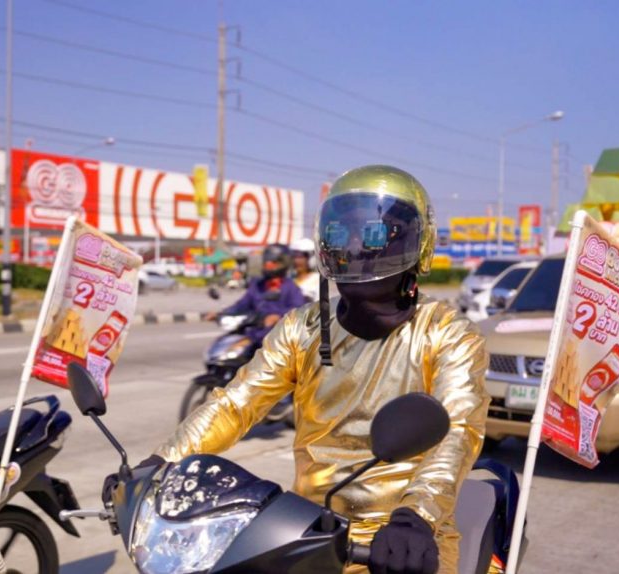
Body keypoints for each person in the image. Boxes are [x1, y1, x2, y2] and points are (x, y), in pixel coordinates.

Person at [149, 165, 489, 573]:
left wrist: (415, 516)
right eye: (342, 234)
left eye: (375, 234)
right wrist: (161, 464)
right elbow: (235, 405)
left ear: (416, 242)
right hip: (305, 531)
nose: (356, 248)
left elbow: (457, 431)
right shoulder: (303, 328)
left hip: (402, 542)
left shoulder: (447, 334)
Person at [204, 243, 306, 346]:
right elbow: (241, 305)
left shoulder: (291, 288)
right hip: (253, 332)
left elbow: (298, 310)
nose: (269, 264)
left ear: (284, 263)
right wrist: (221, 313)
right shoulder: (257, 285)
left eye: (274, 262)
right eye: (266, 261)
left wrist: (278, 316)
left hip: (275, 341)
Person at [290, 237, 321, 302]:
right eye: (294, 256)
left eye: (301, 256)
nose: (296, 261)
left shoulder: (318, 281)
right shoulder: (288, 280)